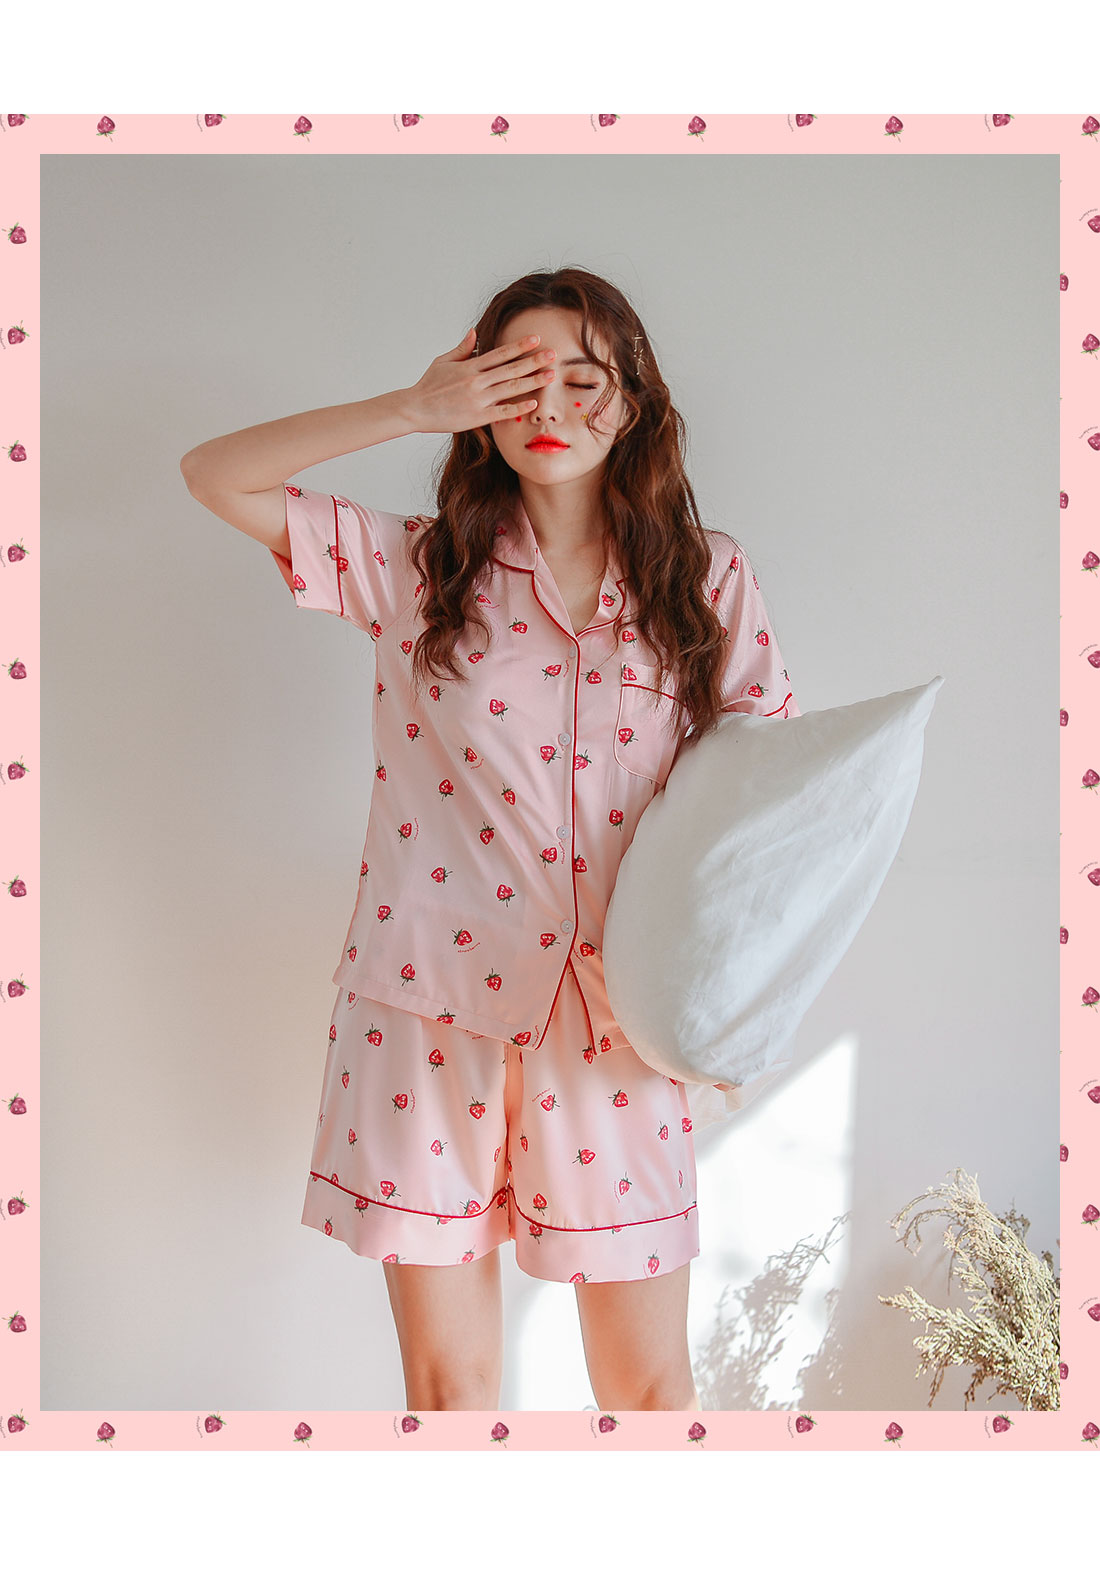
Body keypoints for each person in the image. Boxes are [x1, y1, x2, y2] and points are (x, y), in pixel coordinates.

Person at [180, 266, 799, 1414]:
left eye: (581, 380)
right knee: (450, 1388)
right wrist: (411, 407)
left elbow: (764, 815)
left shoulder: (705, 580)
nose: (547, 407)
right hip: (429, 1009)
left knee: (647, 1390)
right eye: (515, 380)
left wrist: (717, 995)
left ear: (634, 401)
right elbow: (213, 473)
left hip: (615, 1022)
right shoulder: (418, 570)